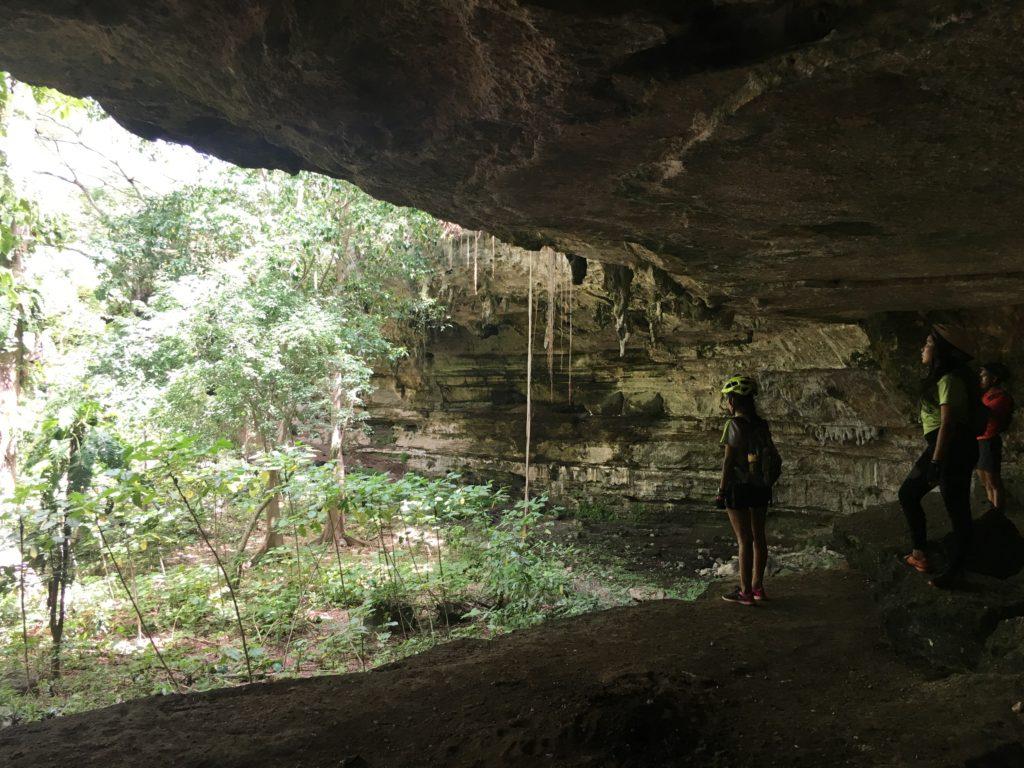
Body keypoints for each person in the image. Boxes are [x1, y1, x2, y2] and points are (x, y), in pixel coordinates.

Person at [899, 325, 980, 589]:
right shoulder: (947, 378)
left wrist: (936, 461)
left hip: (951, 447)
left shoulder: (950, 380)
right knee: (913, 494)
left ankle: (956, 571)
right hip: (949, 447)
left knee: (955, 509)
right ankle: (922, 554)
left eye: (927, 343)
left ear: (940, 351)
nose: (922, 348)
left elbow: (948, 423)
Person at [716, 375, 780, 605]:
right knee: (759, 537)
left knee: (744, 540)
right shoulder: (761, 424)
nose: (727, 403)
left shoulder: (733, 425)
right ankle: (758, 587)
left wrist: (721, 491)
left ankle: (744, 592)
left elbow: (728, 462)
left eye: (727, 399)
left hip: (739, 487)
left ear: (732, 400)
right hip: (761, 487)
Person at [976, 362, 1014, 514]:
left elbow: (988, 415)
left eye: (984, 374)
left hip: (989, 441)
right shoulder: (986, 395)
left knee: (993, 482)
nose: (980, 377)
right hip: (980, 439)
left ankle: (998, 516)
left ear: (994, 378)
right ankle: (993, 511)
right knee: (985, 481)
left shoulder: (1001, 397)